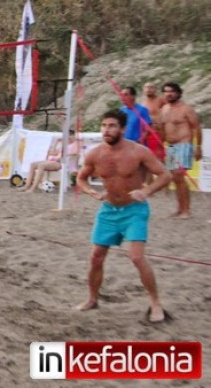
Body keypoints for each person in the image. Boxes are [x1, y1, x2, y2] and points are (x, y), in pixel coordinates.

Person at [74, 109, 171, 322]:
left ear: (123, 129)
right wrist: (91, 191)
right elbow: (80, 178)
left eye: (112, 126)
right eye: (104, 126)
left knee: (136, 257)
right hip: (108, 210)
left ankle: (155, 303)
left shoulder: (139, 152)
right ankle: (92, 299)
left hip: (134, 210)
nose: (106, 130)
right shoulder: (95, 153)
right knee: (96, 257)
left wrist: (145, 191)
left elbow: (165, 175)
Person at [160, 82, 203, 218]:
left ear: (178, 93)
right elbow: (162, 128)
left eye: (172, 91)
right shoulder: (164, 109)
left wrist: (198, 147)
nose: (169, 94)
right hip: (171, 146)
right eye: (166, 91)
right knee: (175, 179)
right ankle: (180, 208)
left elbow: (197, 128)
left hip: (184, 144)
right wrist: (161, 145)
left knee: (179, 176)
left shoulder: (186, 109)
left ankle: (186, 210)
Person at [140, 82, 166, 162]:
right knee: (148, 161)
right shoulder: (143, 102)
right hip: (147, 135)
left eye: (151, 87)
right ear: (143, 90)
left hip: (158, 133)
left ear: (155, 89)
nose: (149, 89)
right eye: (146, 87)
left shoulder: (161, 100)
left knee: (160, 160)